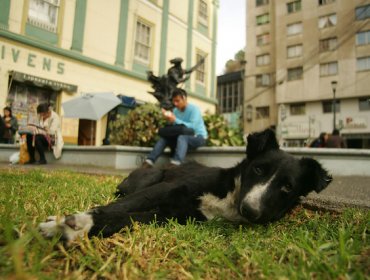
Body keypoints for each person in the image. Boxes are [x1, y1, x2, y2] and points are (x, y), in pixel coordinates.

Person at [143, 88, 208, 167]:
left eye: (177, 101)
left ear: (184, 99)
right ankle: (149, 161)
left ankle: (176, 163)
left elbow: (193, 127)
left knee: (182, 137)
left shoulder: (194, 109)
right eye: (174, 101)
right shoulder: (175, 111)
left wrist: (175, 119)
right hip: (181, 138)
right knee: (164, 139)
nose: (175, 104)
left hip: (198, 137)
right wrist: (170, 120)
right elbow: (177, 129)